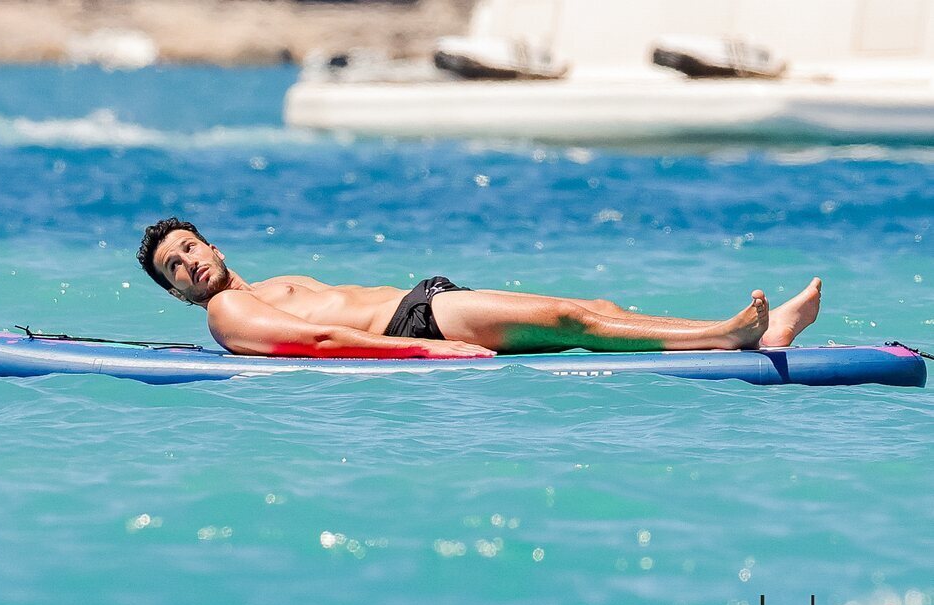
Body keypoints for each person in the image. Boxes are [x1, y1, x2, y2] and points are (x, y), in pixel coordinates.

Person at [137, 218, 821, 359]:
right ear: (177, 292)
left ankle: (756, 332)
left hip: (427, 305)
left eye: (189, 248)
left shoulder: (269, 281)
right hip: (418, 324)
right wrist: (426, 353)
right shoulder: (227, 311)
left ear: (214, 245)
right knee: (571, 317)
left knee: (598, 313)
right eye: (175, 267)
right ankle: (730, 336)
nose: (189, 263)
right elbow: (315, 339)